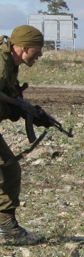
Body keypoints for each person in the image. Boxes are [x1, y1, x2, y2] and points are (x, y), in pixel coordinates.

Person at [0, 25, 45, 245]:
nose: (41, 55)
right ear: (24, 47)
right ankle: (7, 229)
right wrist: (12, 110)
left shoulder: (10, 64)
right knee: (8, 169)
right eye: (37, 50)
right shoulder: (1, 65)